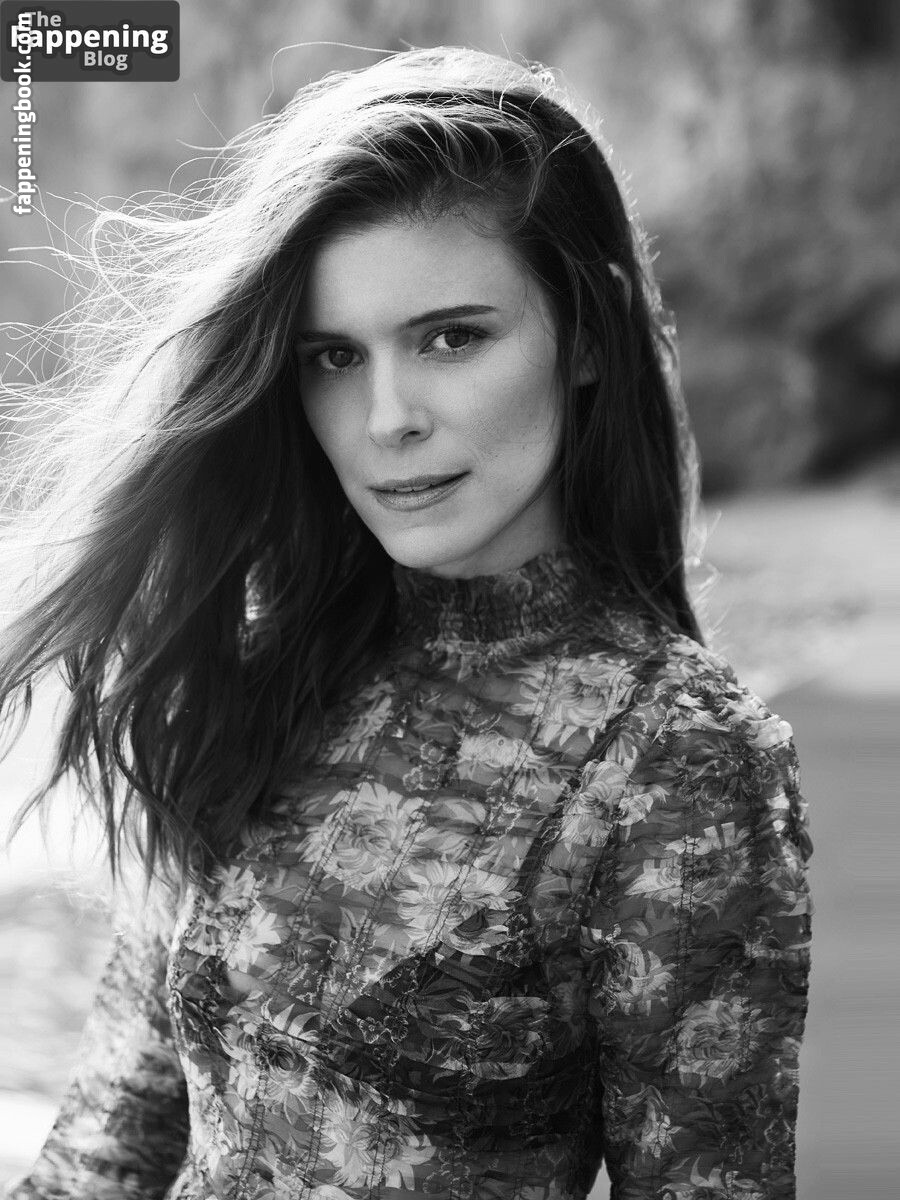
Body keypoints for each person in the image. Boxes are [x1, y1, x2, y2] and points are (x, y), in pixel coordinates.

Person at [0, 45, 813, 1200]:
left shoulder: (678, 764)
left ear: (587, 335)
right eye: (335, 357)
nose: (386, 418)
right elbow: (109, 1147)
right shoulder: (263, 673)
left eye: (451, 337)